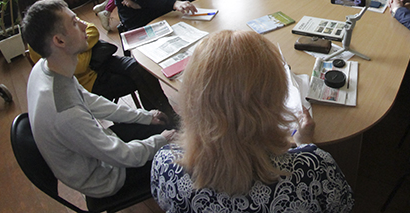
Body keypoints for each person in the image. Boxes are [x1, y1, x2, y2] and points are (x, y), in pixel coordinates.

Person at [151, 30, 354, 213]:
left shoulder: (165, 165)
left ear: (192, 96)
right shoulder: (314, 167)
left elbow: (164, 201)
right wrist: (304, 143)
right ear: (275, 98)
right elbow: (343, 205)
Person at [23, 0, 176, 199]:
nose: (84, 25)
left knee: (163, 126)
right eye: (75, 22)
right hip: (106, 178)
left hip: (100, 151)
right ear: (59, 41)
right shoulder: (66, 113)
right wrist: (161, 141)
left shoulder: (46, 67)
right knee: (182, 147)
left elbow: (89, 100)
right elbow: (123, 156)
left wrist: (145, 116)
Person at [18, 0, 175, 118]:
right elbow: (79, 66)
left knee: (140, 68)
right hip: (90, 81)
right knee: (140, 79)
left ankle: (163, 113)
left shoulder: (62, 19)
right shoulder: (38, 43)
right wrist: (86, 47)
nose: (51, 1)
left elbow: (92, 30)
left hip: (102, 60)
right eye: (45, 0)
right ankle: (156, 118)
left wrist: (80, 47)